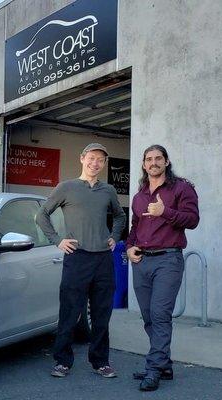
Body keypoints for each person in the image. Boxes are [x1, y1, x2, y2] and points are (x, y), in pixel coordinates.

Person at [36, 143, 125, 379]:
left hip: (103, 260)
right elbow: (41, 215)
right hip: (77, 258)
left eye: (100, 160)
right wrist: (57, 240)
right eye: (92, 158)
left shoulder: (108, 191)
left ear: (104, 164)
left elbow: (120, 215)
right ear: (82, 158)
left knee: (101, 313)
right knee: (70, 312)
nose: (95, 163)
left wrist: (114, 237)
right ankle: (62, 361)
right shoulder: (67, 187)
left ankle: (100, 362)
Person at [126, 144, 199, 391]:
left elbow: (193, 220)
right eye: (149, 159)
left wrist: (165, 211)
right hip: (142, 261)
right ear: (144, 164)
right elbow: (135, 227)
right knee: (148, 315)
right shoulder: (139, 196)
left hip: (168, 259)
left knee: (159, 314)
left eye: (158, 158)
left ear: (167, 162)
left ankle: (154, 368)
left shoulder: (182, 188)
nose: (153, 162)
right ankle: (164, 364)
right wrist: (128, 247)